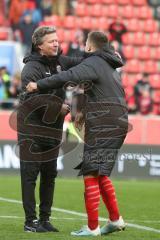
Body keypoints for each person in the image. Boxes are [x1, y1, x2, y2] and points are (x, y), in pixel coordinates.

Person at [27, 31, 128, 236]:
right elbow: (73, 66)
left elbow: (69, 75)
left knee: (90, 173)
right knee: (99, 173)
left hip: (104, 124)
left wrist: (39, 84)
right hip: (118, 121)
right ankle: (115, 220)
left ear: (90, 47)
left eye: (85, 46)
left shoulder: (94, 63)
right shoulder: (107, 63)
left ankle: (92, 228)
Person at [18, 25, 82, 233]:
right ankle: (30, 222)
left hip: (53, 129)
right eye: (51, 41)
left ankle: (45, 220)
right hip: (32, 129)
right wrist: (60, 108)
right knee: (30, 176)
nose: (56, 43)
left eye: (57, 40)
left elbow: (84, 62)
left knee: (49, 175)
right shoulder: (31, 69)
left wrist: (105, 54)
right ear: (39, 46)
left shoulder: (61, 62)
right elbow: (33, 101)